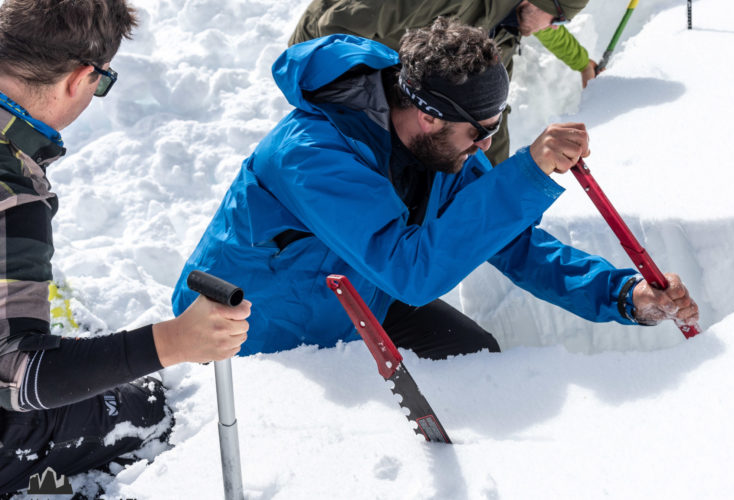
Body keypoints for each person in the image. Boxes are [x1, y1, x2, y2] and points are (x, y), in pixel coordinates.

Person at [172, 17, 698, 362]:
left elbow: (510, 239)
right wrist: (528, 173)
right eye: (480, 132)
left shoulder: (442, 147)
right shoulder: (312, 155)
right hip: (257, 335)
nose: (485, 145)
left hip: (361, 296)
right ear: (428, 116)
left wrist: (622, 294)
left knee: (478, 360)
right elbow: (412, 271)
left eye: (494, 128)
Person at [0, 0, 251, 494]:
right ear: (80, 78)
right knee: (143, 410)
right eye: (103, 82)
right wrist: (175, 341)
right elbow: (15, 374)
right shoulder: (13, 194)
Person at [289, 0, 599, 165]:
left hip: (401, 77)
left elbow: (488, 115)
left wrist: (489, 183)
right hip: (321, 55)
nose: (553, 27)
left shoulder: (505, 27)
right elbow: (336, 25)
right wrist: (374, 103)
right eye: (558, 20)